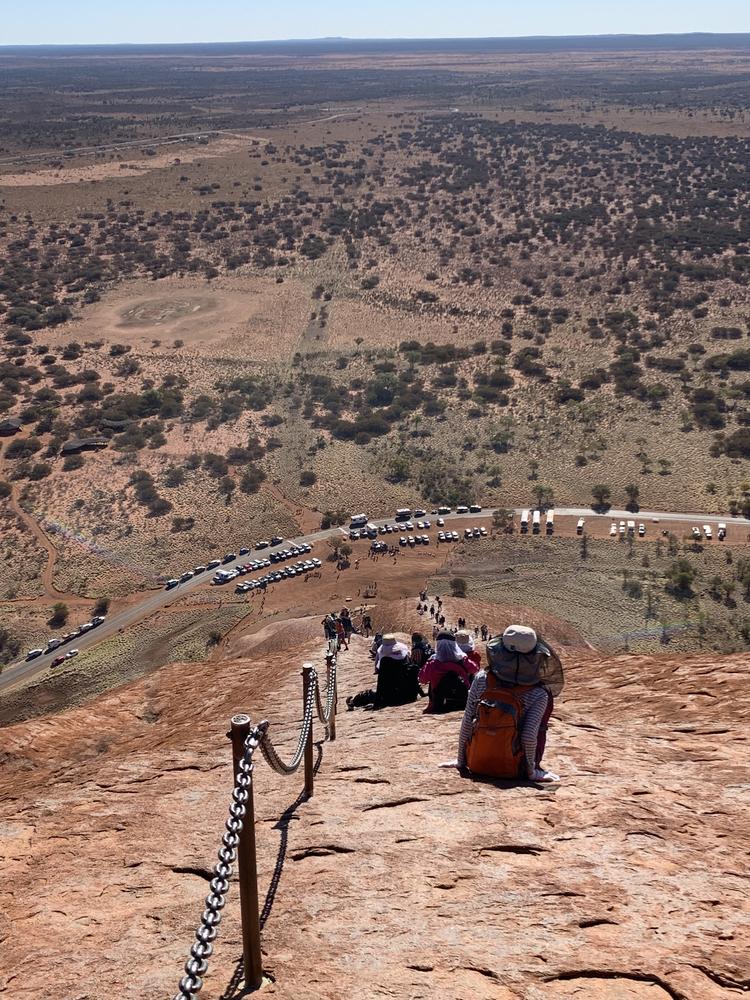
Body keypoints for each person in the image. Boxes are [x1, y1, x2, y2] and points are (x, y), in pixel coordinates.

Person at [449, 625, 564, 783]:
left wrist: (461, 761)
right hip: (514, 769)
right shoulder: (539, 693)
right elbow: (529, 736)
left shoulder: (482, 678)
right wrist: (532, 772)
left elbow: (468, 720)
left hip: (475, 761)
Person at [347, 635, 422, 710]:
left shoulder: (386, 661)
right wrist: (421, 693)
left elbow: (381, 684)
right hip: (410, 695)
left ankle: (352, 702)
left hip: (395, 697)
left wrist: (376, 704)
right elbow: (413, 676)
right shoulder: (405, 657)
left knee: (369, 694)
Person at [419, 630, 480, 714]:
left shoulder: (432, 663)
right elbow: (475, 669)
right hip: (462, 702)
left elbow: (422, 679)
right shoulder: (462, 659)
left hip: (439, 704)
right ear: (454, 644)